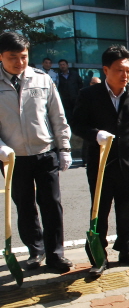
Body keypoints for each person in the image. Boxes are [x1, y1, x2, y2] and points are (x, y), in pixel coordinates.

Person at [71, 45, 129, 277]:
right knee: (100, 211)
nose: (125, 75)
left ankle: (125, 250)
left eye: (127, 70)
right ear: (106, 70)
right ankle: (99, 256)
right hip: (100, 166)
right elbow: (77, 124)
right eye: (119, 70)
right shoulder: (88, 95)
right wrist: (95, 134)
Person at [0, 32, 73, 272]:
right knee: (25, 206)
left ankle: (55, 254)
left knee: (52, 204)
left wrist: (63, 148)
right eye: (13, 57)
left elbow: (57, 116)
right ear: (1, 56)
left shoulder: (42, 79)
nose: (19, 62)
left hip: (45, 153)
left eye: (23, 57)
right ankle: (36, 250)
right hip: (13, 158)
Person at [57, 58, 83, 123]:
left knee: (77, 114)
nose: (62, 66)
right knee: (68, 116)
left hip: (75, 98)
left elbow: (80, 84)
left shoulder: (74, 74)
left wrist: (79, 95)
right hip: (65, 100)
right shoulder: (58, 76)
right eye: (61, 65)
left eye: (63, 64)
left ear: (67, 65)